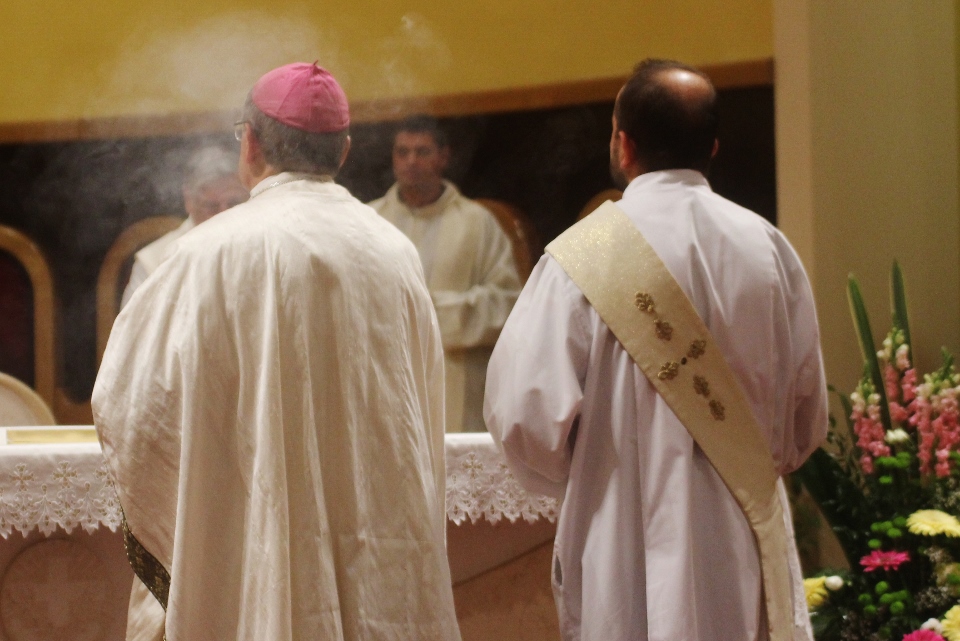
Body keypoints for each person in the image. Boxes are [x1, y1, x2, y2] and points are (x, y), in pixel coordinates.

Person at [94, 62, 460, 641]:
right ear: (342, 151)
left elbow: (131, 404)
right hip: (378, 540)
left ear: (250, 144)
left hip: (255, 540)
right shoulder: (394, 250)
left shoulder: (208, 252)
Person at [484, 59, 828, 641]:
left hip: (624, 541)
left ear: (624, 144)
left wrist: (599, 468)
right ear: (712, 146)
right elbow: (805, 415)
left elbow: (525, 417)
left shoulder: (582, 256)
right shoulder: (768, 248)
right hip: (741, 538)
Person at [370, 116, 521, 433]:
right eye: (402, 152)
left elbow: (508, 304)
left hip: (455, 390)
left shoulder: (477, 223)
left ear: (443, 156)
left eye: (422, 151)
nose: (411, 161)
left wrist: (434, 313)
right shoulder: (369, 221)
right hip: (383, 383)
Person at [120, 145, 248, 308]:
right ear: (189, 201)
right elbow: (136, 325)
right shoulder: (154, 264)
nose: (224, 215)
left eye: (234, 204)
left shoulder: (264, 249)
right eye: (211, 206)